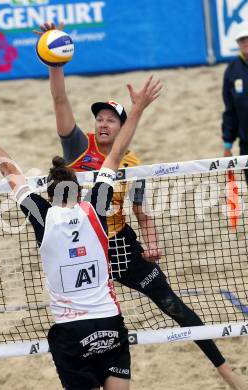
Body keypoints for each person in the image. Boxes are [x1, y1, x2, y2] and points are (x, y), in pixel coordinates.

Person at [35, 21, 248, 390]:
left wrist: (152, 241)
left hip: (119, 245)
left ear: (121, 128)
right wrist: (55, 65)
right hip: (82, 248)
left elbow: (141, 211)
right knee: (78, 324)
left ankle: (226, 371)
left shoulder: (132, 165)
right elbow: (59, 101)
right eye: (99, 118)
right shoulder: (77, 148)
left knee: (174, 306)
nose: (102, 124)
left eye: (111, 120)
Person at [0, 75, 161, 390]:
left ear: (50, 195)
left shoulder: (41, 217)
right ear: (78, 192)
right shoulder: (97, 211)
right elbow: (115, 155)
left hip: (72, 332)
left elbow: (8, 169)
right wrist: (137, 109)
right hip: (110, 323)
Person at [222, 26, 248, 184]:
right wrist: (227, 143)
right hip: (246, 142)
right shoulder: (232, 70)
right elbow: (230, 110)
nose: (245, 42)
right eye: (242, 40)